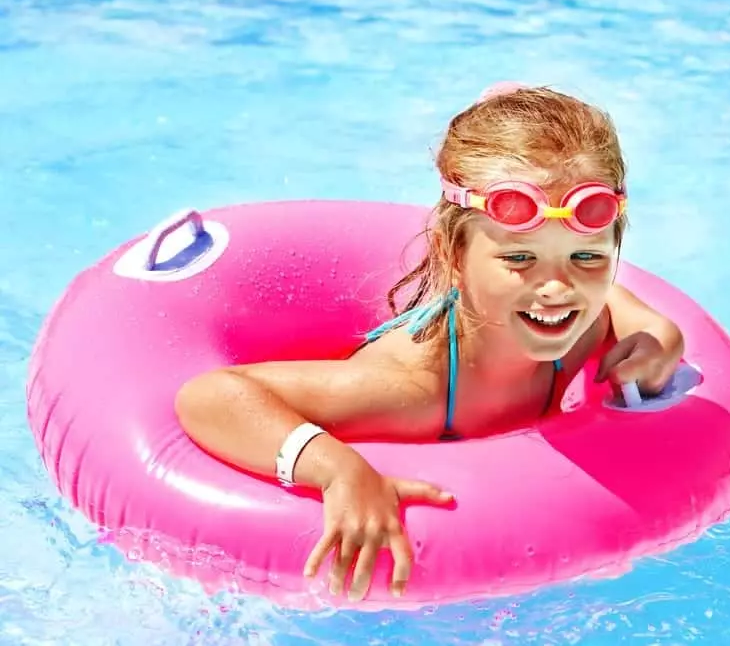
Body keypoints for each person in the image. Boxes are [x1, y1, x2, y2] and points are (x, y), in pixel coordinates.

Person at [175, 82, 685, 603]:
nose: (557, 289)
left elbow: (610, 301)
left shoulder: (577, 329)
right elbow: (210, 396)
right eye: (519, 259)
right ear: (453, 256)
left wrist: (659, 334)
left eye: (585, 258)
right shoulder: (412, 386)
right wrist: (336, 469)